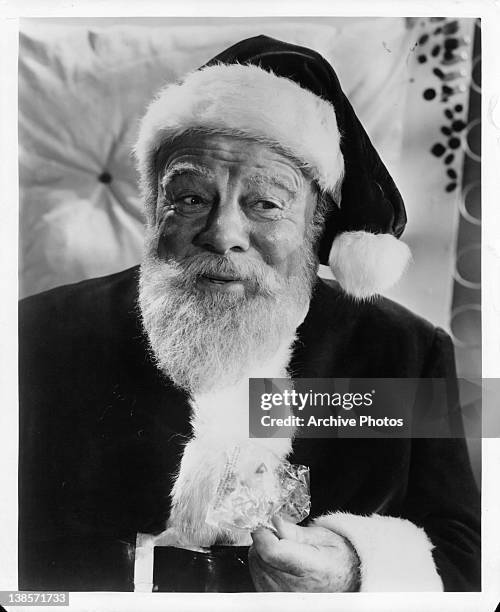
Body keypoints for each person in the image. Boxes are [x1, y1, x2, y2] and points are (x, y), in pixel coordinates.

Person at [18, 35, 480, 593]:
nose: (222, 234)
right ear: (154, 205)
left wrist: (357, 568)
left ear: (316, 227)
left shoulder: (404, 352)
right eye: (189, 197)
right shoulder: (33, 335)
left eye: (265, 204)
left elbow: (467, 561)